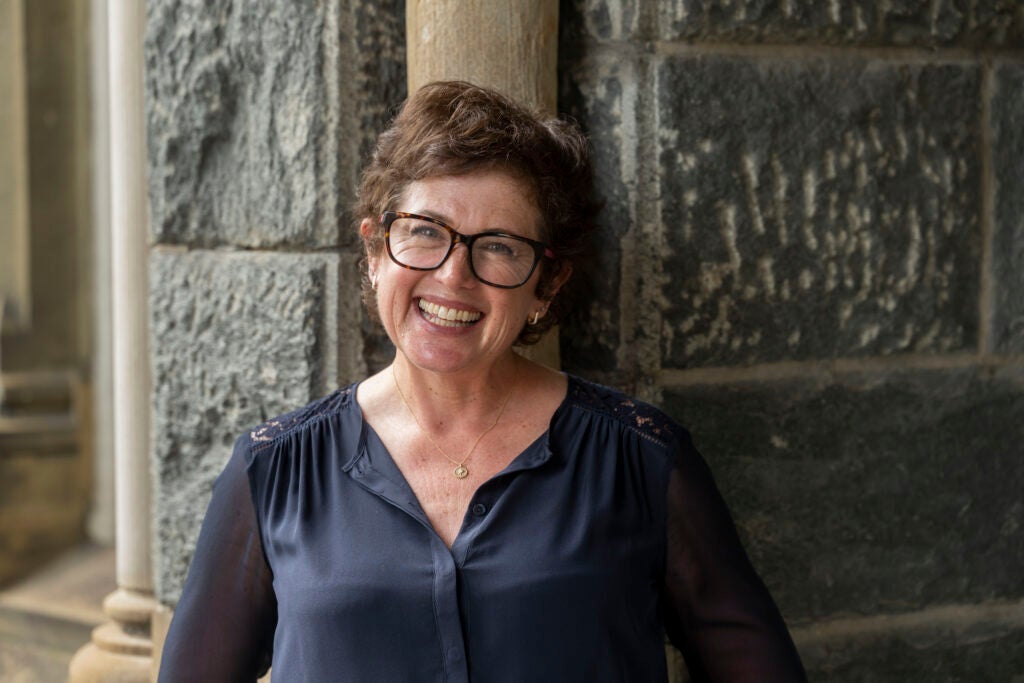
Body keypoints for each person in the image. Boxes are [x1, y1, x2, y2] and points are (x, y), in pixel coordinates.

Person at [158, 81, 807, 682]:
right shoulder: (274, 470)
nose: (452, 277)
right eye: (424, 231)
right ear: (375, 252)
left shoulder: (643, 461)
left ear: (546, 285)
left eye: (497, 245)